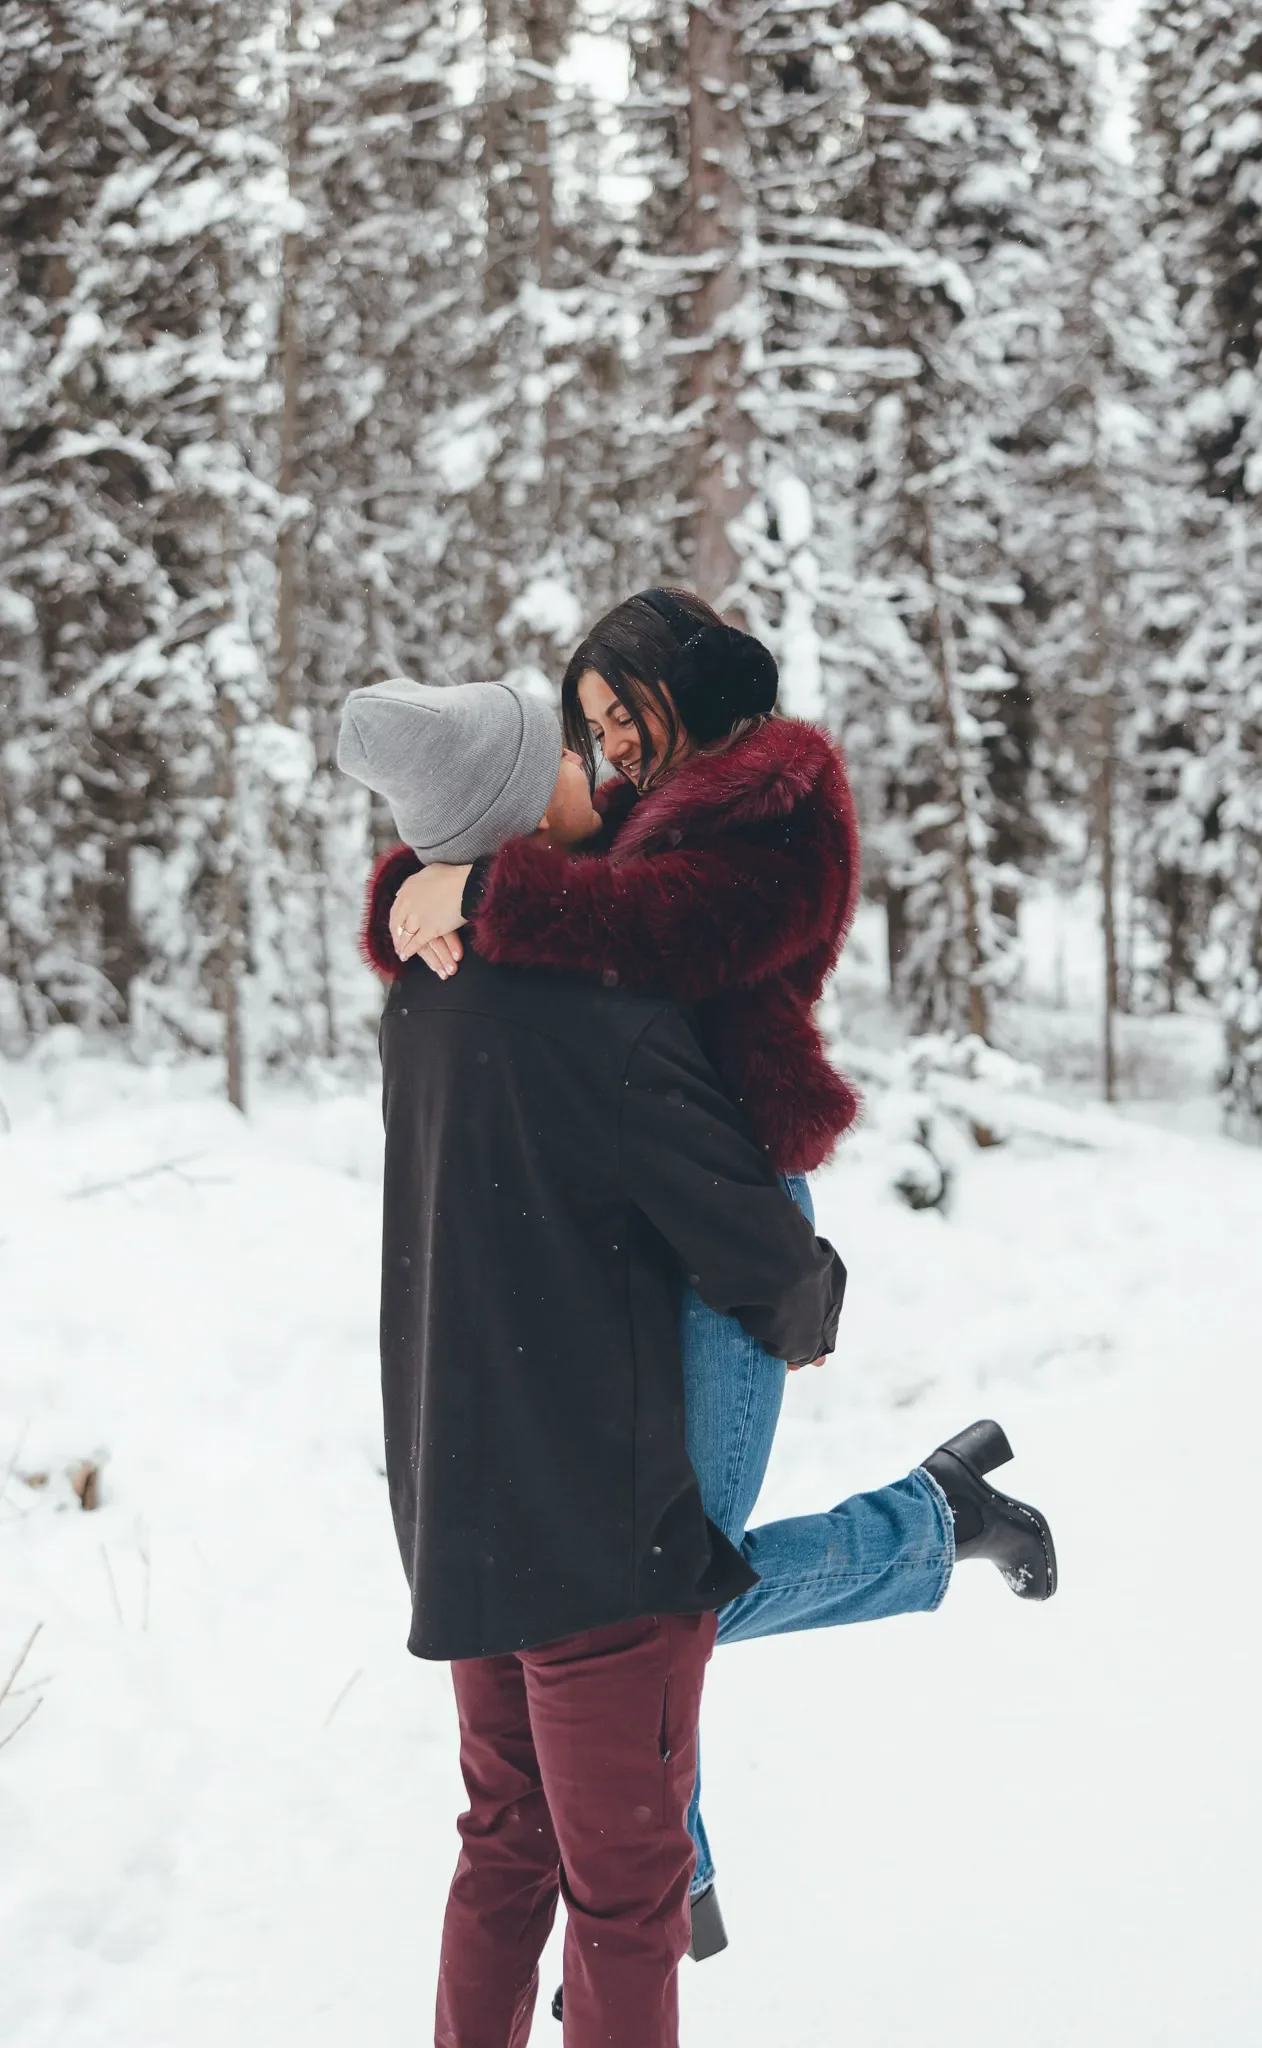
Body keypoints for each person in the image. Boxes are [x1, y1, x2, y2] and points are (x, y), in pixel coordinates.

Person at [354, 596, 1058, 1957]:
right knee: (632, 1590)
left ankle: (925, 1531)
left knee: (669, 1588)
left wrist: (476, 893)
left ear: (695, 689)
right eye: (591, 725)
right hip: (632, 1213)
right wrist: (414, 894)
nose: (608, 747)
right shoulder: (629, 817)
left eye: (629, 716)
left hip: (734, 1211)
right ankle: (667, 1888)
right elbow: (518, 871)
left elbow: (645, 941)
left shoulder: (780, 815)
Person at [338, 677, 847, 2048]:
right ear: (521, 799)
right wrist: (813, 1298)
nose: (587, 761)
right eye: (560, 749)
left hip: (462, 1510)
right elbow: (748, 1249)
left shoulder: (427, 999)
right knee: (626, 1892)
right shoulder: (597, 1011)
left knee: (502, 1845)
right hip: (597, 1530)